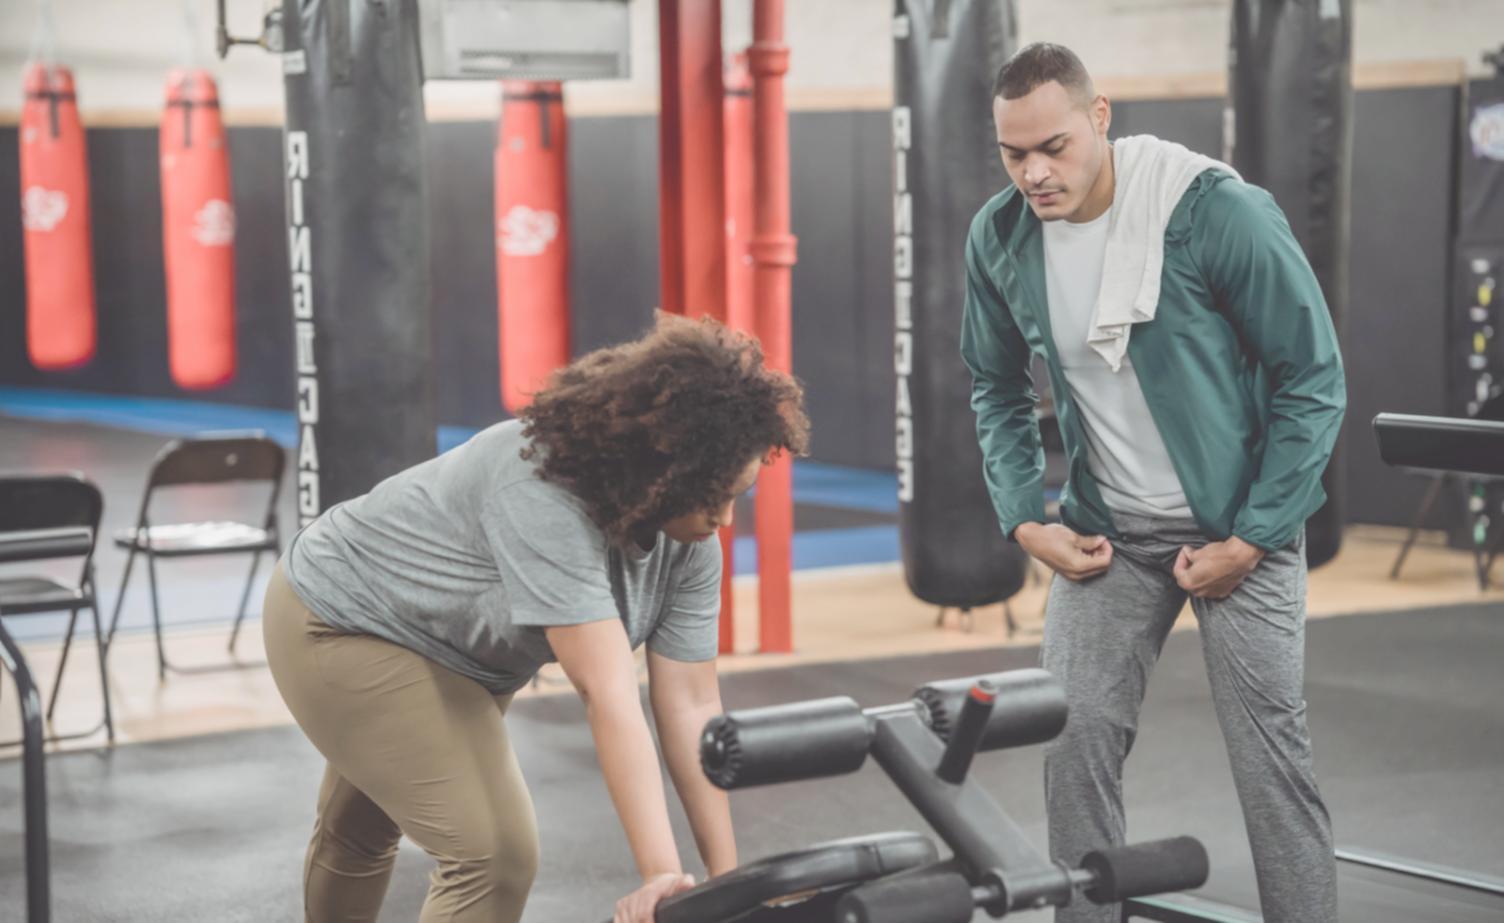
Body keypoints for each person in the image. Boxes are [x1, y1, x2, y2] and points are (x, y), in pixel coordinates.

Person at [959, 43, 1345, 922]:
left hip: (1237, 526)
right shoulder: (1002, 235)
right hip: (1110, 535)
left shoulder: (1214, 214)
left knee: (1271, 762)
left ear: (1100, 117)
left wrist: (1254, 536)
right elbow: (996, 383)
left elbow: (1313, 377)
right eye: (1014, 154)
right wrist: (1024, 517)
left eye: (1053, 146)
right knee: (1072, 742)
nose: (1034, 173)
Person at [262, 313, 809, 923]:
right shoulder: (544, 494)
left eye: (737, 496)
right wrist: (659, 871)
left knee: (364, 825)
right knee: (492, 853)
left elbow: (691, 704)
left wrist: (725, 884)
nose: (726, 520)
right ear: (665, 468)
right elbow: (606, 691)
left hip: (457, 647)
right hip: (339, 617)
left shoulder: (690, 543)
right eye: (713, 495)